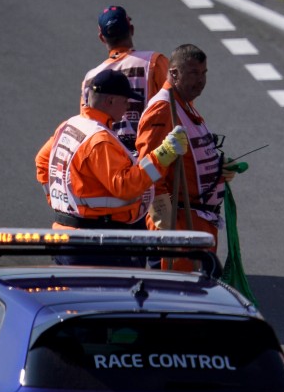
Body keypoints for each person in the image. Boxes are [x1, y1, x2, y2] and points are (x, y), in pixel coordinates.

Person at [36, 69, 188, 265]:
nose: (126, 109)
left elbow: (42, 161)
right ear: (110, 101)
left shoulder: (70, 125)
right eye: (125, 102)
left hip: (67, 235)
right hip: (98, 244)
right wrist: (163, 155)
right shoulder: (100, 141)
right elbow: (125, 187)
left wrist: (59, 200)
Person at [136, 44, 240, 269]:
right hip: (179, 223)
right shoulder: (163, 109)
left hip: (198, 222)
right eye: (193, 73)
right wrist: (162, 213)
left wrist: (218, 168)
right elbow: (147, 166)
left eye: (204, 73)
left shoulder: (186, 107)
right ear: (174, 73)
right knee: (177, 299)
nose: (201, 81)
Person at [80, 5, 170, 156]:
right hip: (157, 159)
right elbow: (179, 107)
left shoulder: (90, 80)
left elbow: (88, 127)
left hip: (113, 164)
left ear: (102, 38)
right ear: (132, 29)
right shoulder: (155, 62)